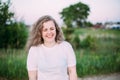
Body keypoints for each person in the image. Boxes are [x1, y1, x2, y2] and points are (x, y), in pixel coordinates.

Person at [26, 15, 78, 80]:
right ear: (40, 33)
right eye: (45, 30)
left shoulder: (66, 47)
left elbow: (72, 72)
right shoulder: (34, 50)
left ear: (56, 29)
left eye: (52, 29)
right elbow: (32, 77)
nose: (49, 32)